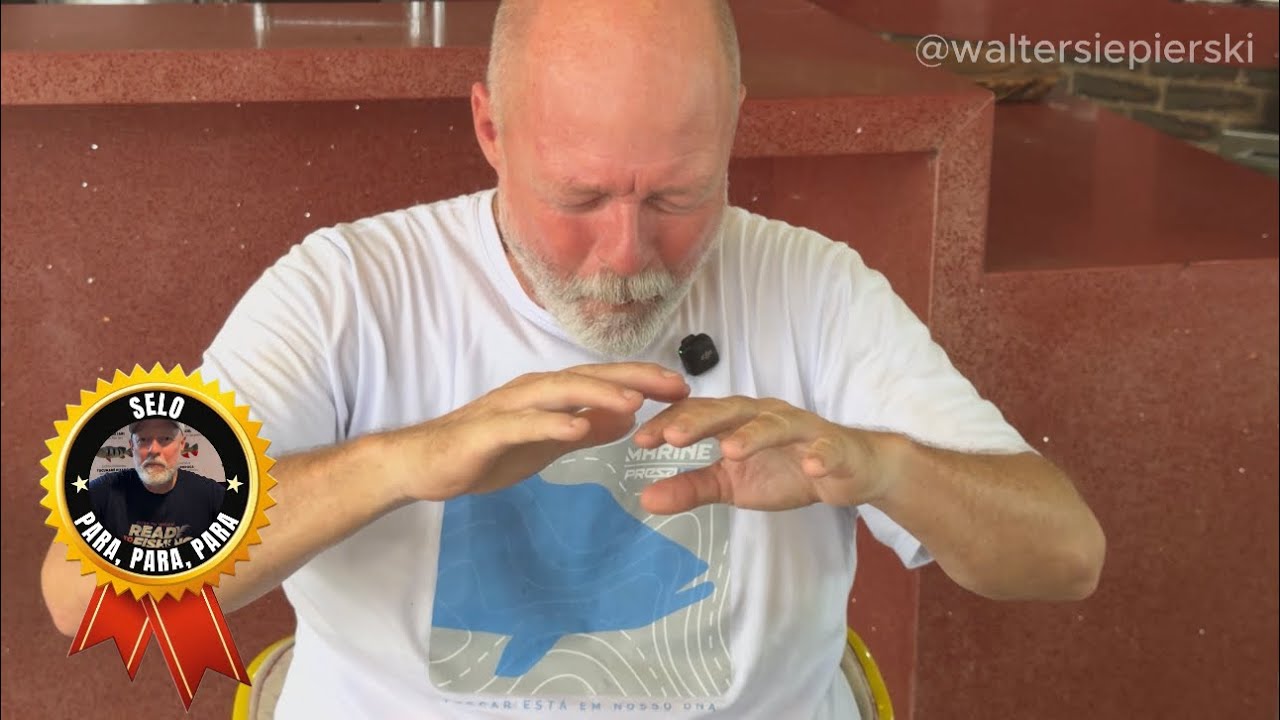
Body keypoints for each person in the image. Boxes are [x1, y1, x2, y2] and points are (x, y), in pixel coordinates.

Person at [42, 2, 1106, 718]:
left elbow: (1066, 558)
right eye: (580, 198)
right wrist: (400, 463)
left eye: (678, 197)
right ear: (490, 128)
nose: (627, 257)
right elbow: (86, 590)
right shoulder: (345, 288)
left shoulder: (816, 286)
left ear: (734, 127)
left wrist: (881, 467)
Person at [83, 418, 226, 550]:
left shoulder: (211, 496)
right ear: (132, 446)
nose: (154, 450)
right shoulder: (105, 491)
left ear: (182, 444)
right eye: (143, 439)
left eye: (166, 439)